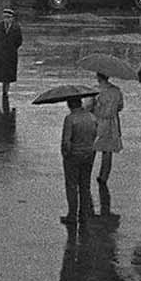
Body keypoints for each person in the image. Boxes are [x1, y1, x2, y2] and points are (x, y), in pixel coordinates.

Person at [58, 96, 98, 228]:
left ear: (70, 104)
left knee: (72, 185)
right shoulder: (92, 117)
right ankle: (84, 214)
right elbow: (95, 135)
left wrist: (65, 154)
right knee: (85, 185)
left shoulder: (70, 119)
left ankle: (72, 215)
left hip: (74, 155)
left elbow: (66, 141)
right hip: (89, 154)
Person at [0, 9, 22, 116]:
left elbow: (19, 41)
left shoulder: (16, 28)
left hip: (10, 56)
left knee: (7, 76)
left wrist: (11, 49)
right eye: (5, 17)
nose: (6, 19)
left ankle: (5, 93)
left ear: (12, 18)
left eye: (9, 17)